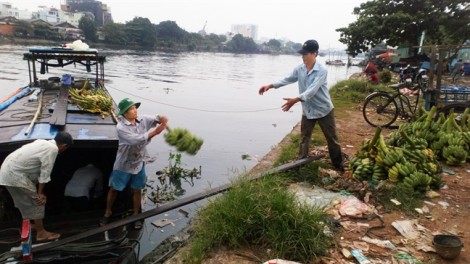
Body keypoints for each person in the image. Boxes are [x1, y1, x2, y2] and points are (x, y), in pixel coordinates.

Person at [258, 39, 344, 171]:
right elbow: (287, 79)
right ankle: (300, 164)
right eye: (302, 54)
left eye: (305, 54)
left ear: (314, 53)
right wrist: (270, 85)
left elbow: (312, 90)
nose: (303, 56)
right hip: (308, 110)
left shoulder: (322, 70)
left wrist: (296, 99)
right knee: (304, 138)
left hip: (323, 109)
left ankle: (338, 165)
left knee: (331, 139)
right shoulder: (300, 69)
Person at [101, 98, 168, 230]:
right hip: (124, 163)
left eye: (135, 108)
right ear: (124, 113)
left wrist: (161, 118)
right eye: (131, 109)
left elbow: (155, 118)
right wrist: (155, 132)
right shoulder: (121, 127)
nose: (135, 110)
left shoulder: (142, 119)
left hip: (139, 161)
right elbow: (136, 141)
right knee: (114, 188)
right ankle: (108, 212)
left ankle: (136, 214)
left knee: (137, 189)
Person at [0, 131, 73, 242]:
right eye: (65, 148)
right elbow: (45, 173)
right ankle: (41, 233)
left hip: (6, 172)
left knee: (24, 201)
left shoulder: (41, 142)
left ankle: (32, 224)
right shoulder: (53, 149)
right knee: (38, 201)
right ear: (64, 146)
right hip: (15, 175)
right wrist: (40, 193)